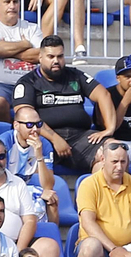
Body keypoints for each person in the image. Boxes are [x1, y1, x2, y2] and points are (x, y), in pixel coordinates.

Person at [13, 34, 117, 172]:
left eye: (60, 56)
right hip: (43, 139)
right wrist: (55, 139)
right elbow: (24, 116)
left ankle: (97, 192)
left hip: (80, 137)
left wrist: (109, 129)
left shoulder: (75, 75)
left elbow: (103, 95)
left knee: (114, 151)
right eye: (51, 57)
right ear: (40, 58)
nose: (56, 61)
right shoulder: (28, 82)